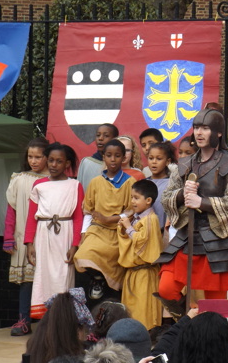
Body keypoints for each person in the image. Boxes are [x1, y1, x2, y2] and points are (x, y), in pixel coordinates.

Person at [157, 108, 228, 319]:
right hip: (187, 237)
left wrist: (203, 202)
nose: (199, 133)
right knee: (166, 288)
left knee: (215, 304)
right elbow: (167, 198)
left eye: (205, 128)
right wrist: (182, 195)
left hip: (218, 240)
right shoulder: (185, 163)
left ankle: (215, 342)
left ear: (218, 132)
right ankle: (189, 324)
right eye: (197, 128)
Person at [24, 143, 84, 319]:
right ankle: (46, 320)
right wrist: (29, 243)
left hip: (65, 234)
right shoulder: (39, 185)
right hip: (43, 234)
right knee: (43, 275)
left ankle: (62, 318)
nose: (53, 165)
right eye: (51, 160)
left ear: (67, 163)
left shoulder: (75, 185)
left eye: (59, 161)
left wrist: (75, 245)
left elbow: (79, 217)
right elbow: (31, 216)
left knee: (63, 275)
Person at [74, 139, 136, 300]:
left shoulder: (130, 182)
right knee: (84, 253)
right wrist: (83, 235)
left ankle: (104, 285)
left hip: (118, 231)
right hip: (96, 229)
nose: (113, 159)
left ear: (123, 158)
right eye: (109, 155)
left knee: (112, 258)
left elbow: (131, 212)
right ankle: (97, 279)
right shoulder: (95, 182)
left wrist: (110, 219)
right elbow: (88, 211)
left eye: (117, 156)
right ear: (104, 157)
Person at [3, 137, 49, 336]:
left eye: (38, 157)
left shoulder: (54, 181)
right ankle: (24, 320)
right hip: (23, 238)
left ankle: (49, 324)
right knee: (26, 282)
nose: (34, 161)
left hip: (47, 238)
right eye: (31, 156)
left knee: (48, 280)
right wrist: (8, 237)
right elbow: (11, 211)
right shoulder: (19, 179)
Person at [118, 180, 164, 330]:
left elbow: (142, 243)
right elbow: (129, 240)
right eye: (131, 197)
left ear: (148, 200)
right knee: (131, 311)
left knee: (143, 312)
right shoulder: (138, 218)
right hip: (132, 273)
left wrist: (128, 227)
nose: (132, 201)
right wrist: (124, 229)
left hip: (144, 273)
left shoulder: (151, 219)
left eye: (136, 198)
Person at [25, 288, 95, 363]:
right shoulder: (75, 359)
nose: (86, 336)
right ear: (77, 331)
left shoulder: (36, 345)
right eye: (85, 330)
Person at [77, 124, 119, 191]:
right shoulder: (86, 163)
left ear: (115, 139)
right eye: (98, 135)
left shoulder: (119, 164)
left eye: (106, 136)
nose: (100, 138)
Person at [147, 141, 177, 229]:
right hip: (145, 232)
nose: (154, 162)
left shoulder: (171, 184)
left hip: (163, 231)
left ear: (168, 161)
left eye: (159, 159)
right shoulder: (144, 182)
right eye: (151, 158)